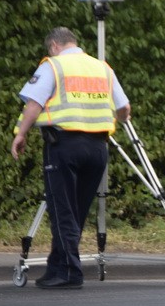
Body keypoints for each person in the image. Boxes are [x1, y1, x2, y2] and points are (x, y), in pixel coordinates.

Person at [11, 27, 131, 289]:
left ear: (54, 45)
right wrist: (120, 121)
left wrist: (21, 135)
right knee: (75, 211)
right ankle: (56, 266)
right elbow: (124, 108)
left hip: (64, 146)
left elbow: (34, 103)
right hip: (98, 149)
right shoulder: (102, 68)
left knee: (62, 209)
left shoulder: (54, 66)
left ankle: (69, 272)